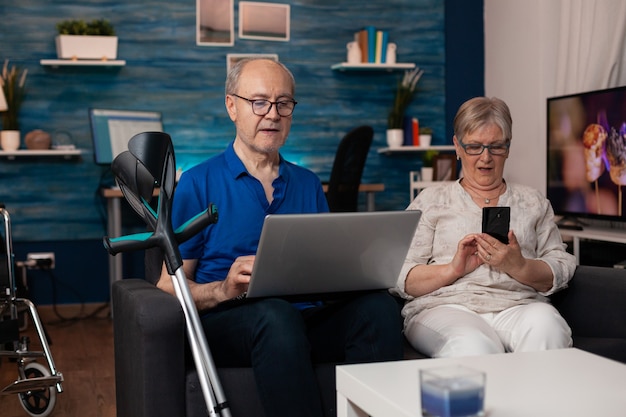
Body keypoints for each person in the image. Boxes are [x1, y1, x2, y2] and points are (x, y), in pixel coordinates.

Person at [156, 58, 403, 416]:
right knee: (275, 314)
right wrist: (223, 289)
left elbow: (325, 270)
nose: (272, 114)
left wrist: (356, 272)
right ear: (231, 106)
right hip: (228, 322)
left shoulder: (307, 183)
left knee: (379, 307)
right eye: (258, 102)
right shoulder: (197, 183)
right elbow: (167, 286)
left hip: (301, 320)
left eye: (283, 103)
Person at [391, 96, 577, 358]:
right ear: (457, 146)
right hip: (446, 308)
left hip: (518, 305)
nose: (485, 158)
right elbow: (399, 274)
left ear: (508, 148)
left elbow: (561, 264)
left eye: (496, 147)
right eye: (474, 147)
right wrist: (452, 270)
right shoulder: (431, 201)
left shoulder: (533, 201)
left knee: (549, 329)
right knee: (472, 346)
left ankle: (539, 400)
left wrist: (519, 266)